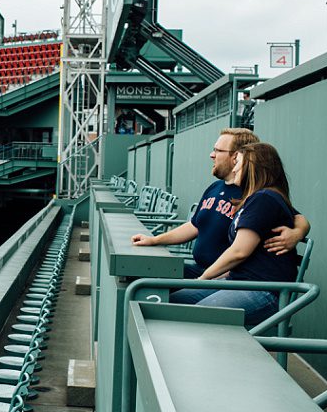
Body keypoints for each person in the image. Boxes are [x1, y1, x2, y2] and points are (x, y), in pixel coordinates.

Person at [131, 127, 309, 276]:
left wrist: (296, 233)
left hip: (223, 276)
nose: (212, 155)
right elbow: (195, 226)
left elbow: (297, 218)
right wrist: (154, 240)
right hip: (201, 270)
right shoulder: (215, 187)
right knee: (145, 272)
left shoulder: (255, 193)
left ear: (236, 156)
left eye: (217, 150)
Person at [169, 142, 302, 323]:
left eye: (238, 162)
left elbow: (239, 252)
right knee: (172, 301)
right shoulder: (254, 198)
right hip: (238, 281)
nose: (234, 168)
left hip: (264, 290)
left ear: (252, 167)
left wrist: (203, 278)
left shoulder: (264, 198)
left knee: (195, 316)